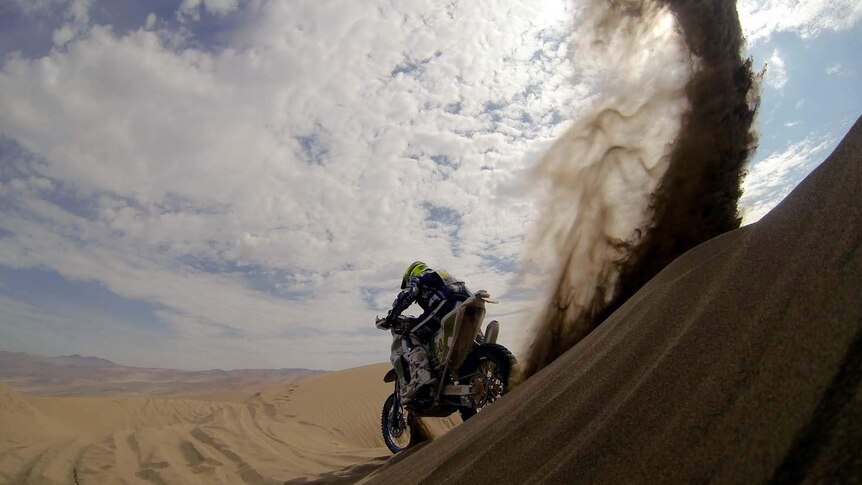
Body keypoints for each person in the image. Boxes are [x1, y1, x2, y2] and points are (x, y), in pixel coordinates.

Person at [384, 261, 472, 402]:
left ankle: (422, 376)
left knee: (410, 335)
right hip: (468, 305)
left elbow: (408, 294)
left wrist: (391, 317)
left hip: (446, 304)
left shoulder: (422, 276)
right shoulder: (444, 275)